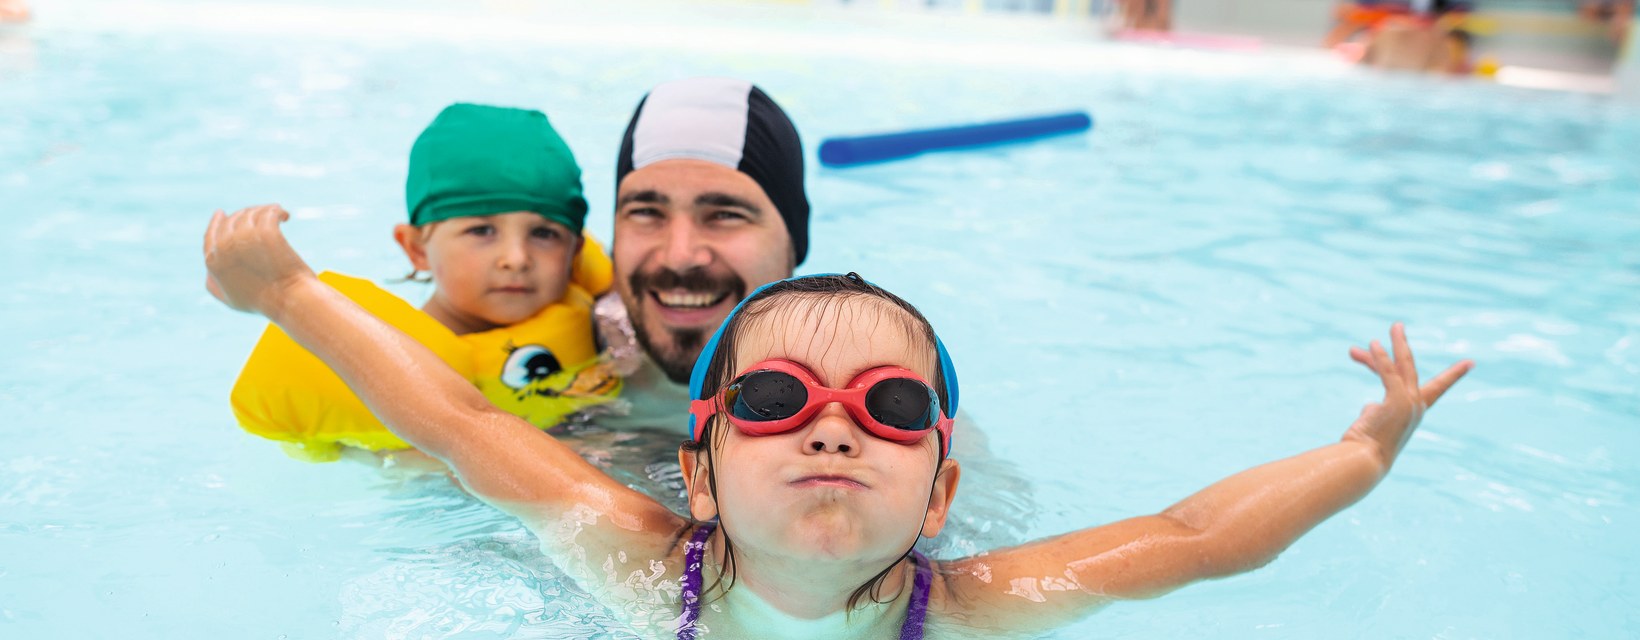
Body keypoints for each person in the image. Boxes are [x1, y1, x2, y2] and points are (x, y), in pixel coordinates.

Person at [202, 206, 1473, 638]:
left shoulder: (969, 605)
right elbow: (454, 420)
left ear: (939, 492)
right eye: (771, 400)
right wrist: (291, 293)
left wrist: (1362, 450)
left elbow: (1198, 537)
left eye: (890, 406)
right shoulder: (633, 553)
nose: (830, 425)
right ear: (701, 473)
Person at [228, 103, 620, 462]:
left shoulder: (601, 310)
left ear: (574, 251)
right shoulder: (394, 362)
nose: (516, 258)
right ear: (416, 248)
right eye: (482, 231)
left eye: (545, 234)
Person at [595, 77, 811, 433]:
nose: (679, 256)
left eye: (725, 215)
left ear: (794, 240)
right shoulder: (570, 339)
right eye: (646, 212)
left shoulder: (867, 389)